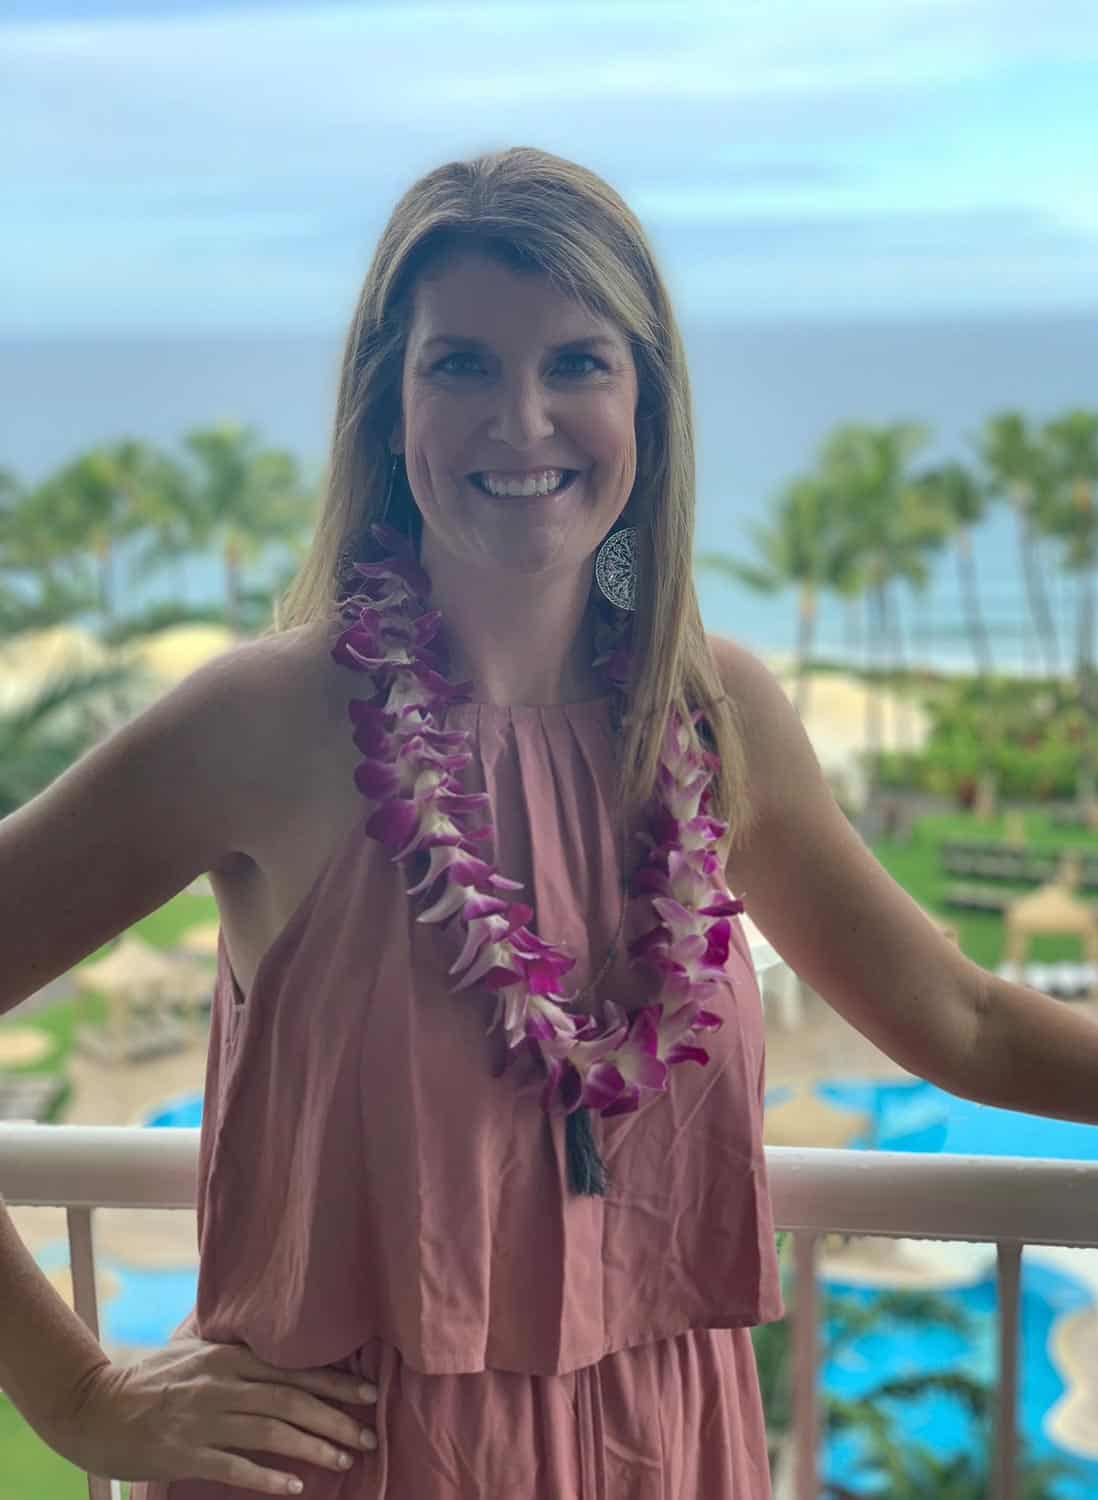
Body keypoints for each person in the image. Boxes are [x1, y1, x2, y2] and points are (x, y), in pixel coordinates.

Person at [3, 145, 1098, 1500]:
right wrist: (79, 1398)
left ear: (647, 403)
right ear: (385, 408)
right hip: (350, 1465)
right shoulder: (266, 723)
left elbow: (963, 1022)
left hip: (664, 1452)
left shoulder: (709, 718)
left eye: (576, 362)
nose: (519, 419)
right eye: (459, 364)